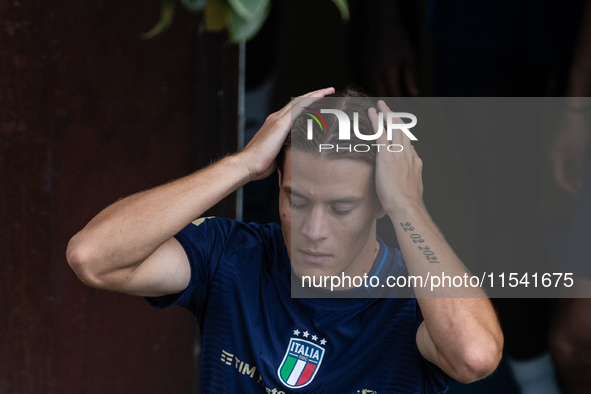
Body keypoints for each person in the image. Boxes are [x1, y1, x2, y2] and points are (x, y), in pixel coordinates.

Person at [66, 87, 503, 393]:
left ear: (381, 205)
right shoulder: (233, 256)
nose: (313, 230)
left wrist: (410, 204)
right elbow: (93, 257)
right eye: (296, 199)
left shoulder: (414, 300)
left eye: (341, 208)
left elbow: (475, 356)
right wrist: (240, 164)